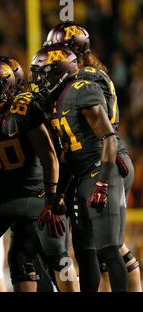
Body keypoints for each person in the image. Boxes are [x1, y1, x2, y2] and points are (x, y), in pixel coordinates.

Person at [0, 58, 78, 292]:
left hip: (35, 197)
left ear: (7, 88)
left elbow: (49, 157)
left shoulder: (23, 110)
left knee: (57, 253)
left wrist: (52, 199)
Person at [45, 22, 141, 292]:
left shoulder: (86, 80)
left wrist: (102, 176)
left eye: (58, 52)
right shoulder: (85, 76)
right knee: (93, 245)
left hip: (103, 162)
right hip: (88, 163)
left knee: (109, 244)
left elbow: (102, 131)